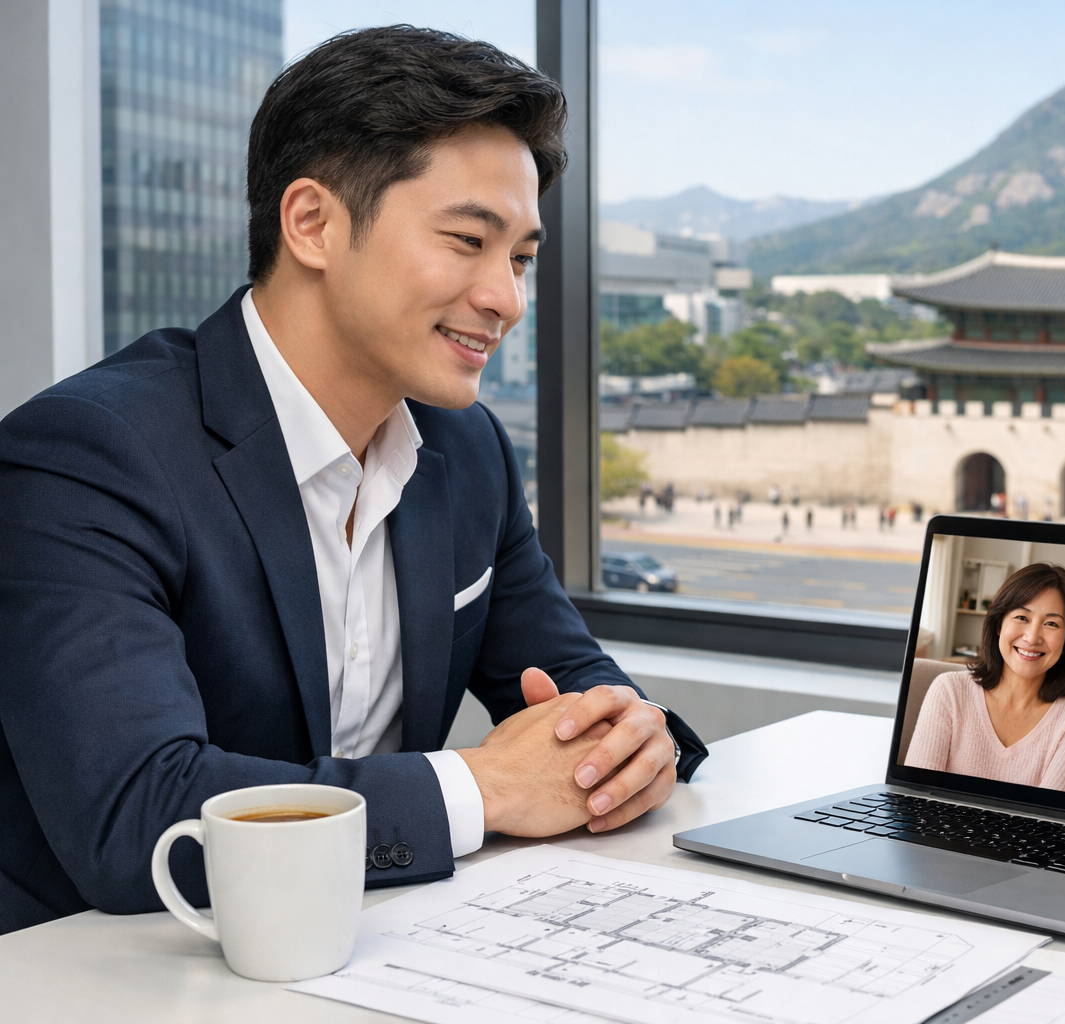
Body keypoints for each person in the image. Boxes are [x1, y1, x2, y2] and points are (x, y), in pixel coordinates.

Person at [0, 28, 706, 936]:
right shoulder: (88, 453)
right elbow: (137, 814)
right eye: (468, 241)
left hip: (366, 946)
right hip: (102, 963)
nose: (508, 299)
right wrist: (484, 787)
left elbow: (578, 690)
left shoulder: (468, 449)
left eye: (521, 258)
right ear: (313, 224)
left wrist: (637, 739)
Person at [906, 564, 1065, 792]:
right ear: (998, 624)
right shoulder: (949, 690)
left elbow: (1050, 813)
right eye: (1022, 617)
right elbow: (915, 796)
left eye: (1051, 624)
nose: (1032, 637)